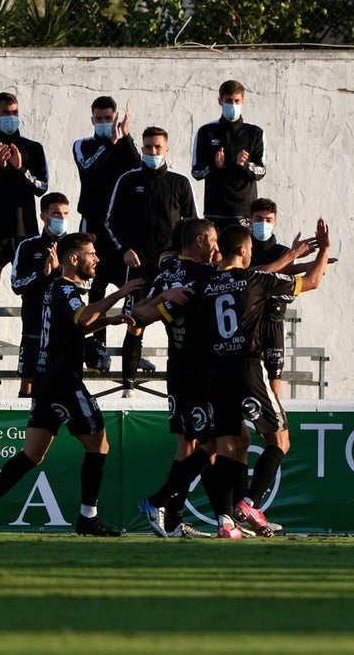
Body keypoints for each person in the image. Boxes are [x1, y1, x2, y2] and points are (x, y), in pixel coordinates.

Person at [0, 232, 143, 537]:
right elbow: (82, 316)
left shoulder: (57, 290)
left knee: (33, 453)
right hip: (63, 381)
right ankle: (88, 517)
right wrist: (121, 292)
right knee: (99, 445)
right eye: (91, 253)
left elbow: (76, 325)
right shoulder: (65, 289)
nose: (97, 258)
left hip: (47, 380)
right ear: (73, 259)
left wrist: (107, 321)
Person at [188, 221, 330, 538]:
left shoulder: (205, 284)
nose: (253, 253)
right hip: (247, 368)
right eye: (251, 249)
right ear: (241, 251)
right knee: (279, 440)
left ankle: (227, 522)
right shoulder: (255, 279)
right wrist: (325, 250)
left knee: (230, 446)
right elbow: (312, 281)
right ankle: (250, 504)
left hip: (215, 372)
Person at [131, 218, 219, 538]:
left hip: (178, 368)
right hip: (200, 371)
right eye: (212, 241)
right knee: (212, 442)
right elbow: (250, 275)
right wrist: (290, 261)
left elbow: (137, 316)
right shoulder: (203, 274)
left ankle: (172, 520)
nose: (216, 248)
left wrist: (162, 301)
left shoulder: (163, 274)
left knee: (188, 445)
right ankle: (160, 503)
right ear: (198, 240)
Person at [105, 126, 197, 396]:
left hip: (172, 268)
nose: (152, 152)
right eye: (148, 147)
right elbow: (111, 221)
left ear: (166, 150)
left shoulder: (179, 183)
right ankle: (128, 387)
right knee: (134, 323)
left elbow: (192, 225)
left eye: (158, 148)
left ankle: (181, 386)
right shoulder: (128, 180)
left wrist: (182, 258)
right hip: (138, 267)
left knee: (178, 327)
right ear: (142, 149)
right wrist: (124, 249)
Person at [0, 92, 49, 373]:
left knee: (31, 287)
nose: (10, 117)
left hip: (25, 230)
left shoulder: (33, 147)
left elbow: (42, 186)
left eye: (14, 111)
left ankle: (33, 347)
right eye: (5, 112)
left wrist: (20, 168)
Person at [72, 95, 140, 372]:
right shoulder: (83, 146)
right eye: (98, 119)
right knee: (94, 286)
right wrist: (111, 142)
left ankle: (131, 345)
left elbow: (139, 168)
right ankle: (95, 347)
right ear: (92, 119)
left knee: (128, 286)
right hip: (93, 227)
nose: (103, 123)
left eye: (107, 119)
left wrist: (127, 137)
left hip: (120, 229)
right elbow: (88, 167)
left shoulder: (124, 144)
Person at [11, 192, 70, 397]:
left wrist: (59, 273)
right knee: (28, 382)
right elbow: (16, 284)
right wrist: (42, 274)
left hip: (65, 324)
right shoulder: (28, 246)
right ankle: (25, 426)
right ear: (44, 216)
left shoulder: (74, 246)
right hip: (34, 322)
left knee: (64, 380)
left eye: (65, 213)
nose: (61, 218)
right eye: (55, 213)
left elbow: (86, 284)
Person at [191, 79, 266, 227]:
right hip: (215, 212)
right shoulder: (206, 132)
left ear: (243, 101)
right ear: (220, 101)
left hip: (244, 213)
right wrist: (214, 165)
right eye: (228, 101)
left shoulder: (255, 133)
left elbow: (261, 171)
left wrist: (244, 165)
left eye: (236, 101)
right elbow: (197, 172)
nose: (233, 105)